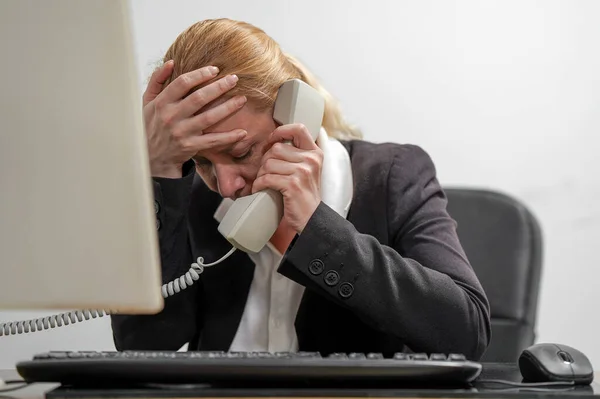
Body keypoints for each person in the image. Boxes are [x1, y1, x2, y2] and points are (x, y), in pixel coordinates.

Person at [111, 18, 491, 360]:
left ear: (296, 115)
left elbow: (466, 332)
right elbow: (144, 344)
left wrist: (315, 226)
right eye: (204, 162)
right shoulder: (188, 193)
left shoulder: (392, 176)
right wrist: (160, 174)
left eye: (242, 151)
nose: (226, 187)